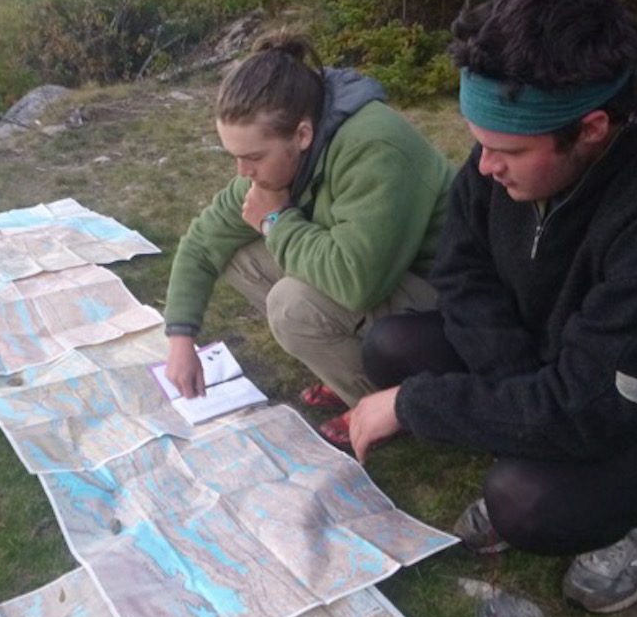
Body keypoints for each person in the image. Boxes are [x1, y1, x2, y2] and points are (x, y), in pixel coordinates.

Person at [349, 0, 637, 613]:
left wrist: (417, 406)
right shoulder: (520, 133)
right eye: (480, 142)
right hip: (549, 350)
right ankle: (539, 436)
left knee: (527, 500)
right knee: (389, 346)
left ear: (593, 127)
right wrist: (520, 394)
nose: (485, 166)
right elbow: (463, 271)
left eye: (508, 151)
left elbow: (595, 408)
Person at [162, 34, 456, 443]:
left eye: (253, 157)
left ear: (301, 135)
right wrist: (181, 340)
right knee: (237, 255)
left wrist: (278, 222)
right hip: (388, 281)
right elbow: (201, 243)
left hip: (450, 308)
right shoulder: (282, 156)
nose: (242, 172)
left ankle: (388, 407)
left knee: (292, 304)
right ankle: (347, 371)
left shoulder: (374, 146)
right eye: (235, 156)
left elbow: (356, 281)